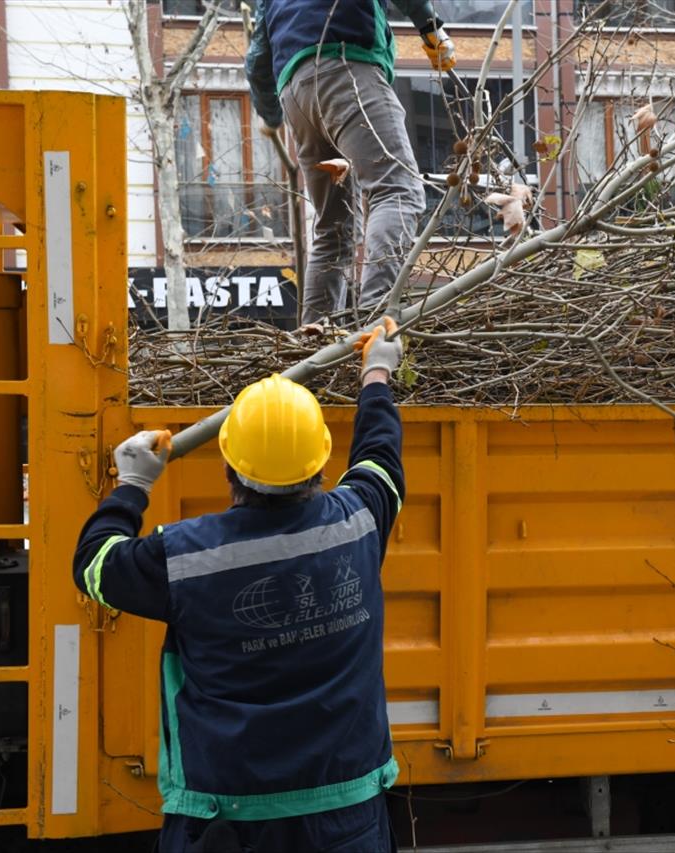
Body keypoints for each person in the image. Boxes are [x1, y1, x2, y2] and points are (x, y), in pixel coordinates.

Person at [72, 318, 406, 853]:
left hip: (226, 823)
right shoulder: (360, 521)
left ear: (228, 467)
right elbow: (379, 455)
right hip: (347, 817)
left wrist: (132, 485)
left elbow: (94, 565)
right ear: (320, 465)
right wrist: (377, 371)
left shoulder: (183, 557)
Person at [246, 0, 456, 325]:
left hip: (296, 96)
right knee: (398, 191)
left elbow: (257, 59)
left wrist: (270, 116)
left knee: (334, 227)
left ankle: (315, 347)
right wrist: (431, 27)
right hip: (347, 67)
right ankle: (377, 323)